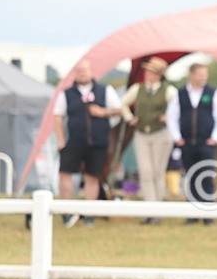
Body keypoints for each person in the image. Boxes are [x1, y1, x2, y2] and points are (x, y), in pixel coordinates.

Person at [53, 58, 121, 227]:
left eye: (85, 70)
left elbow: (119, 110)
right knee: (65, 174)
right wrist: (61, 141)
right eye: (79, 70)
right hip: (74, 141)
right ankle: (67, 212)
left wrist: (102, 112)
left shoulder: (105, 90)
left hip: (98, 142)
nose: (82, 73)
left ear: (91, 71)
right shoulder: (66, 93)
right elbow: (57, 117)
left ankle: (88, 213)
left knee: (92, 177)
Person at [167, 63, 217, 224]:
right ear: (191, 75)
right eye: (201, 74)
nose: (204, 78)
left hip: (206, 143)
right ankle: (192, 214)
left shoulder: (213, 93)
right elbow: (172, 118)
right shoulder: (179, 94)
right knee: (191, 177)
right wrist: (177, 138)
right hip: (186, 143)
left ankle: (208, 214)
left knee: (206, 176)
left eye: (205, 74)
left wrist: (215, 138)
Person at [120, 56, 177, 223]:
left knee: (158, 173)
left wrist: (169, 117)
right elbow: (122, 103)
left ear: (159, 75)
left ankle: (157, 211)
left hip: (161, 134)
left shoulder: (168, 91)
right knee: (146, 172)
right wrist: (130, 118)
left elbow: (178, 108)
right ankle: (149, 210)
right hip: (141, 134)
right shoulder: (138, 89)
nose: (147, 74)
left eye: (151, 72)